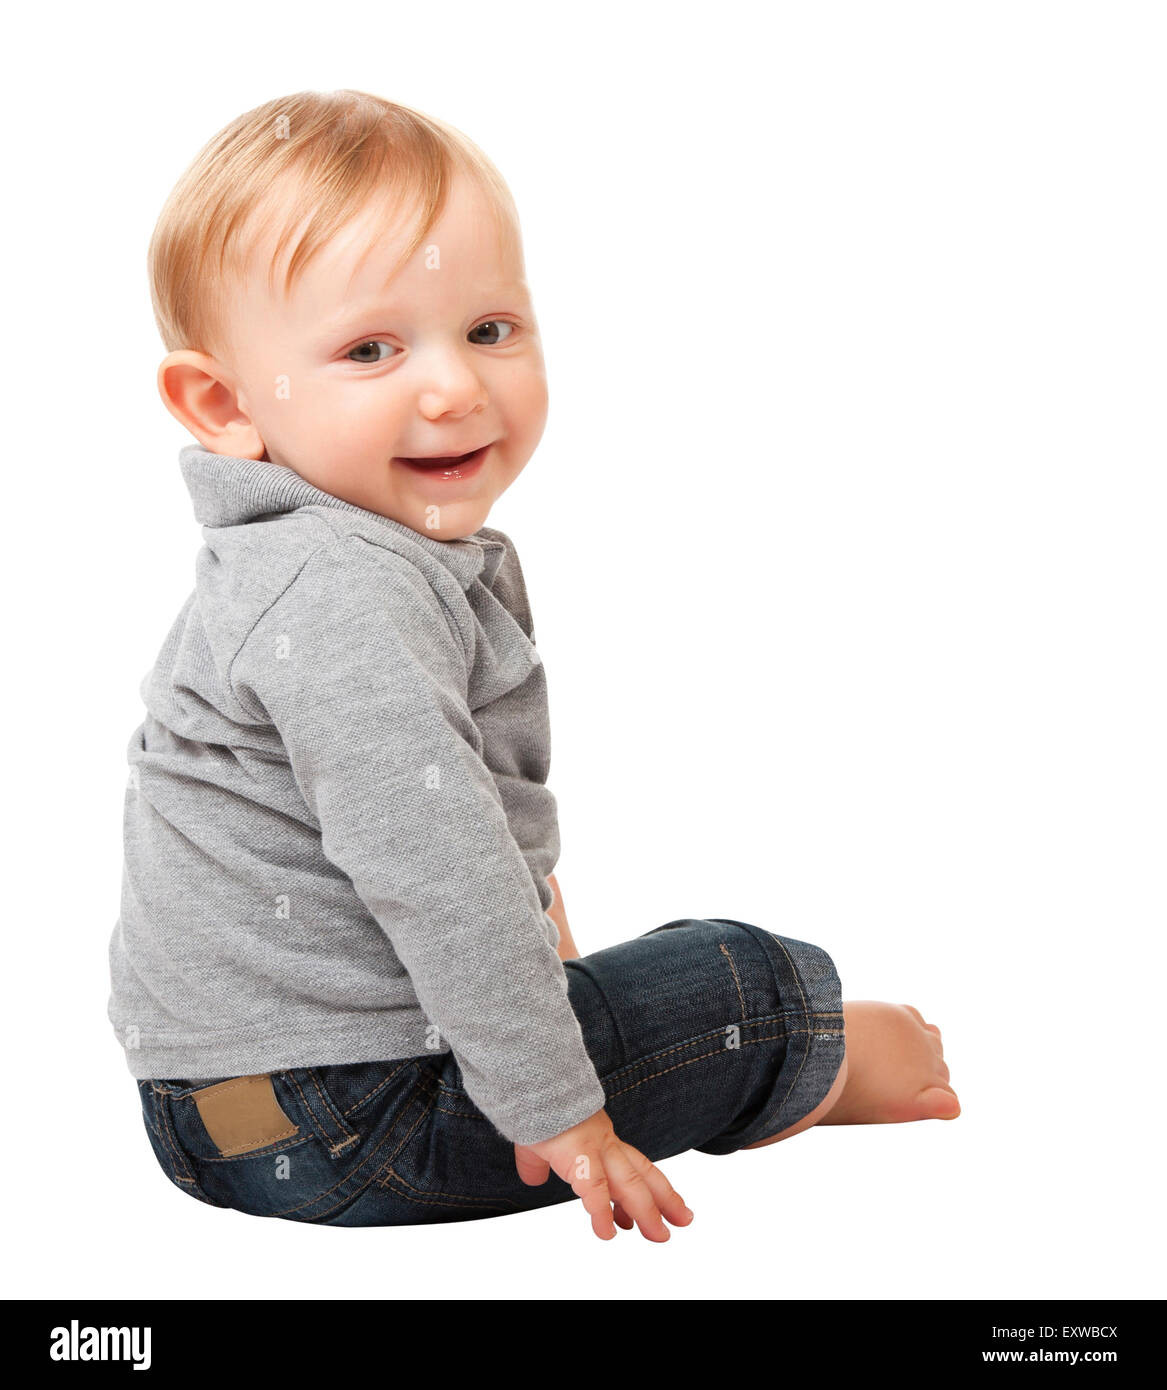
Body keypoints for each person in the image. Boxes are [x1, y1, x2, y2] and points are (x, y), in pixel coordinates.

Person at [110, 89, 959, 1241]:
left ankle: (589, 1042)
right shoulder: (345, 591)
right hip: (350, 1123)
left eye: (491, 330)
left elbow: (476, 842)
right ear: (222, 403)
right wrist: (561, 1111)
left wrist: (557, 996)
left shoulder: (323, 564)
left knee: (639, 961)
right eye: (372, 348)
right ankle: (824, 1061)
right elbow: (440, 870)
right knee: (740, 975)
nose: (456, 385)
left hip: (228, 1120)